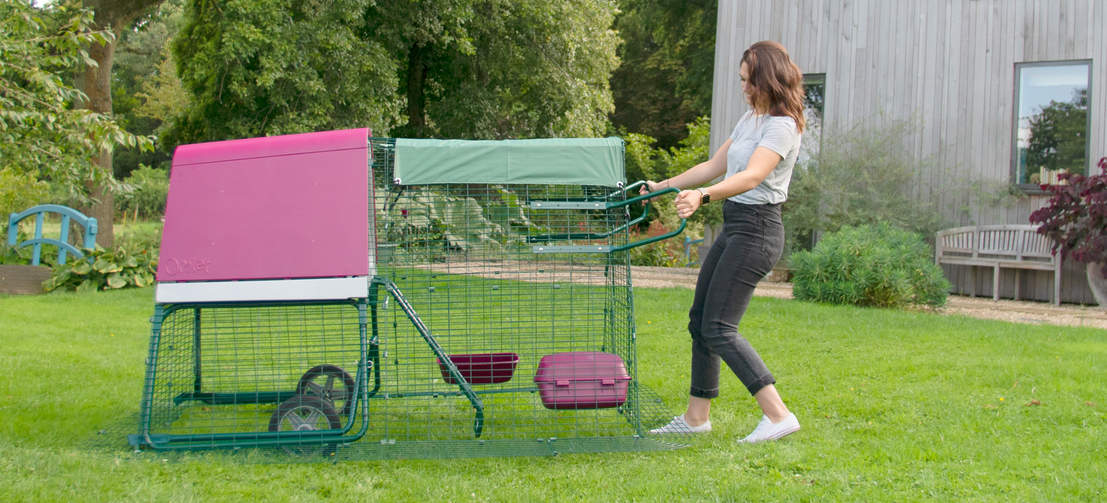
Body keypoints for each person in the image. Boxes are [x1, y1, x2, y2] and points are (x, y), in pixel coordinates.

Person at [644, 40, 805, 443]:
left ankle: (778, 414)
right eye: (741, 81)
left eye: (749, 81)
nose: (744, 88)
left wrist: (703, 196)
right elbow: (715, 166)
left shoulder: (782, 126)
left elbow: (751, 176)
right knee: (701, 321)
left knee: (719, 326)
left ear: (768, 79)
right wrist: (660, 187)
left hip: (758, 230)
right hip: (736, 226)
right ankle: (697, 418)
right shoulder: (749, 120)